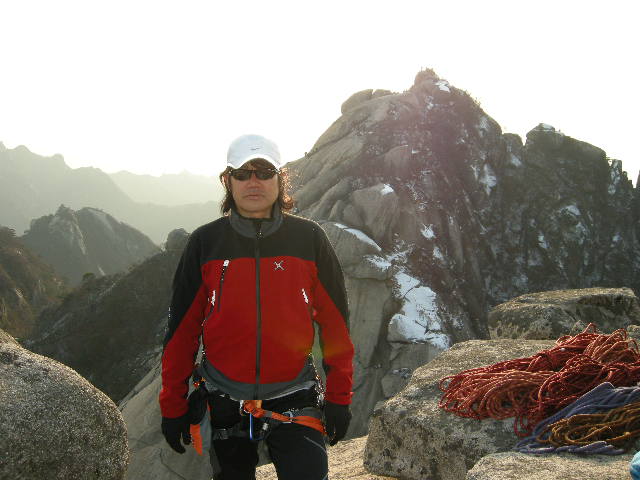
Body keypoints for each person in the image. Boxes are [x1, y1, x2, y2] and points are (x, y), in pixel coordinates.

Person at [159, 134, 355, 479]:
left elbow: (335, 324)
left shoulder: (309, 239)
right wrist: (172, 404)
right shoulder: (206, 242)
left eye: (264, 172)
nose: (253, 181)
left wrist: (339, 398)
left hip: (294, 395)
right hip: (224, 399)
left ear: (280, 179)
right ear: (227, 180)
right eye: (242, 173)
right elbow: (182, 331)